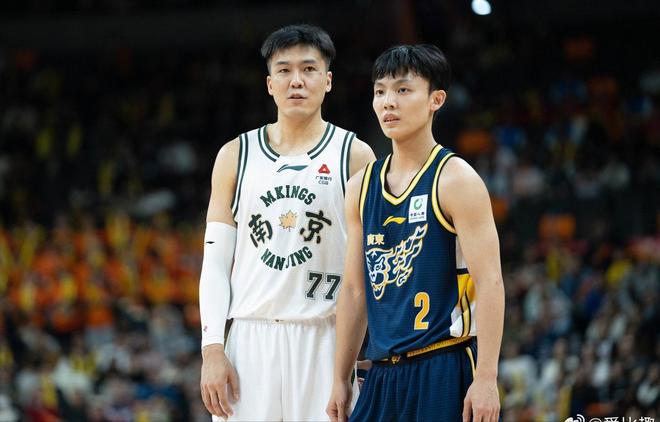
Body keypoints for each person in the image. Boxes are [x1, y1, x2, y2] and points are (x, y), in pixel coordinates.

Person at [198, 24, 375, 421]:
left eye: (309, 69)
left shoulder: (355, 155)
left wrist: (365, 347)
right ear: (269, 83)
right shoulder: (235, 155)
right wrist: (212, 348)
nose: (297, 80)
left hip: (325, 338)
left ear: (328, 81)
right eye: (284, 70)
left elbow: (369, 265)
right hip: (249, 338)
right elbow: (215, 262)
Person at [326, 44, 505, 422]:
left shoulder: (456, 180)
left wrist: (487, 378)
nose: (388, 101)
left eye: (403, 90)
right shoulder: (360, 187)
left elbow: (490, 281)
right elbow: (355, 289)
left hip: (443, 363)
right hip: (382, 372)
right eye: (380, 91)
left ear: (435, 100)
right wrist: (340, 377)